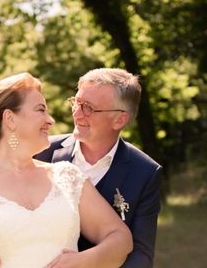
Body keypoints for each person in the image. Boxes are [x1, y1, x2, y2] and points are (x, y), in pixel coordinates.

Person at [0, 72, 132, 268]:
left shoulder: (67, 177)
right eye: (40, 110)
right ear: (10, 119)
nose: (50, 120)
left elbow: (121, 238)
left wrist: (82, 262)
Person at [35, 68, 162, 268]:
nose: (77, 114)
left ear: (119, 119)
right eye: (76, 102)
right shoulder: (40, 151)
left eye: (89, 108)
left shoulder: (145, 172)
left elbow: (141, 254)